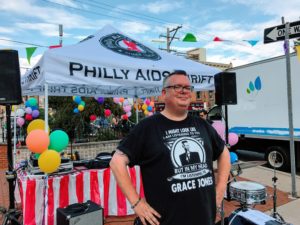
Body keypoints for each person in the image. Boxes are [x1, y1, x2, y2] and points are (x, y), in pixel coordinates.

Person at [110, 70, 231, 225]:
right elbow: (117, 162)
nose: (184, 91)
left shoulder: (202, 125)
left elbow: (224, 152)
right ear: (163, 93)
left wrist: (220, 190)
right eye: (177, 87)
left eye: (188, 88)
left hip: (204, 218)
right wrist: (137, 203)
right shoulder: (148, 127)